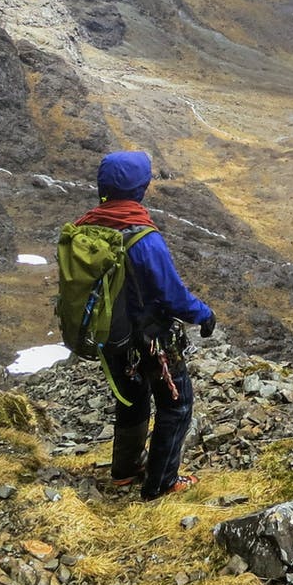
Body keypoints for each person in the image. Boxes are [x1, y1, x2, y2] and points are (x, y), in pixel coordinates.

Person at [72, 149, 215, 499]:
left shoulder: (87, 227)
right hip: (150, 339)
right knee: (177, 404)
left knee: (132, 399)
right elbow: (172, 295)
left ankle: (124, 470)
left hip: (112, 336)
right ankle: (162, 484)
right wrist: (203, 314)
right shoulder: (143, 239)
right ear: (139, 189)